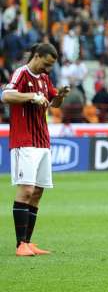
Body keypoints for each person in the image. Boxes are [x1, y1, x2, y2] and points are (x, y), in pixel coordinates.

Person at [1, 43, 70, 256]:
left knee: (38, 192)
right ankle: (20, 244)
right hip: (24, 141)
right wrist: (30, 96)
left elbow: (53, 104)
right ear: (37, 56)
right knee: (27, 190)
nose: (47, 69)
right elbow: (6, 95)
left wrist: (60, 96)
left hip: (42, 140)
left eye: (51, 66)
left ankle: (28, 243)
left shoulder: (44, 78)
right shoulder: (22, 73)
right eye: (46, 64)